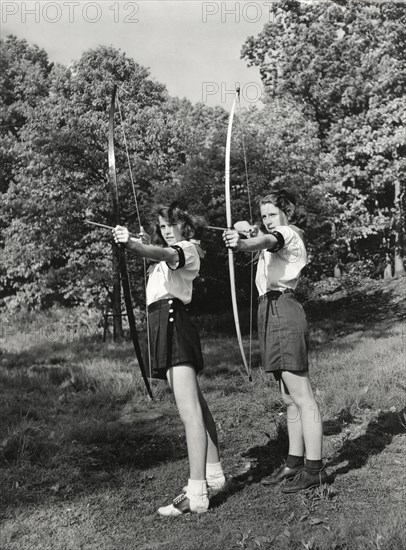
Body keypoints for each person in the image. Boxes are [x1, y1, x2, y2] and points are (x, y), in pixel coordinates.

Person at [113, 202, 225, 516]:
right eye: (162, 226)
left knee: (189, 413)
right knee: (197, 405)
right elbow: (158, 256)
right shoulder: (175, 250)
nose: (165, 230)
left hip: (174, 324)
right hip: (168, 324)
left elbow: (164, 254)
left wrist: (134, 245)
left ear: (184, 226)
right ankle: (214, 475)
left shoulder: (186, 249)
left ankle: (197, 493)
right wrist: (138, 246)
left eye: (170, 224)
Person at [223, 190, 327, 492]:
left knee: (303, 396)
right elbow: (265, 238)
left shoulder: (288, 233)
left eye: (272, 214)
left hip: (283, 310)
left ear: (288, 214)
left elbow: (268, 240)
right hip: (271, 310)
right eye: (264, 215)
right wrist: (248, 230)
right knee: (288, 398)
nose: (268, 220)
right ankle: (294, 464)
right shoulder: (279, 233)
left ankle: (315, 469)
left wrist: (243, 243)